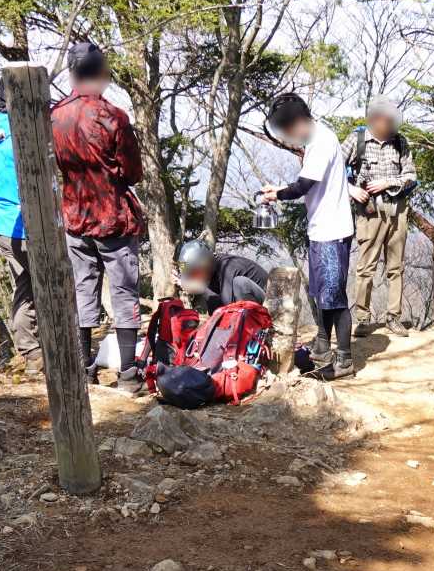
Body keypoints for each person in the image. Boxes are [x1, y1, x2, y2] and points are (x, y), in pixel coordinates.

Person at [51, 41, 145, 392]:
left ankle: (83, 368)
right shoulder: (112, 117)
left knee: (82, 289)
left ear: (72, 73)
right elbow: (133, 172)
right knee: (123, 292)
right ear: (102, 73)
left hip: (74, 215)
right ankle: (128, 375)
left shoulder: (55, 116)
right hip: (113, 217)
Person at [258, 93, 356, 380]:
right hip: (321, 229)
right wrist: (278, 189)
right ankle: (322, 345)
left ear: (299, 121)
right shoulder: (315, 139)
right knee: (321, 293)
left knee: (335, 298)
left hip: (331, 231)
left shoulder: (322, 142)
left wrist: (277, 194)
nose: (289, 136)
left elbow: (303, 186)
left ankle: (345, 361)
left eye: (288, 130)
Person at [343, 96, 417, 338]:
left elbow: (411, 176)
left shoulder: (400, 142)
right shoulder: (357, 139)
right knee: (366, 267)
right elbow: (333, 169)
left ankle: (393, 317)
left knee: (396, 267)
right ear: (374, 118)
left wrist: (388, 182)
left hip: (397, 210)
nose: (388, 123)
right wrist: (351, 189)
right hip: (369, 212)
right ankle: (363, 319)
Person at [0, 78, 39, 374]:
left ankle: (31, 352)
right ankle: (45, 349)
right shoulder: (25, 136)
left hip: (4, 227)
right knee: (48, 284)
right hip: (30, 228)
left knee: (25, 286)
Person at [175, 239, 268, 311]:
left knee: (240, 283)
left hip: (268, 305)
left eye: (194, 273)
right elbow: (216, 312)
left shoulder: (228, 268)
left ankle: (254, 326)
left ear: (206, 265)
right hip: (254, 304)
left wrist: (202, 289)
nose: (194, 278)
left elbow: (228, 308)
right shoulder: (212, 272)